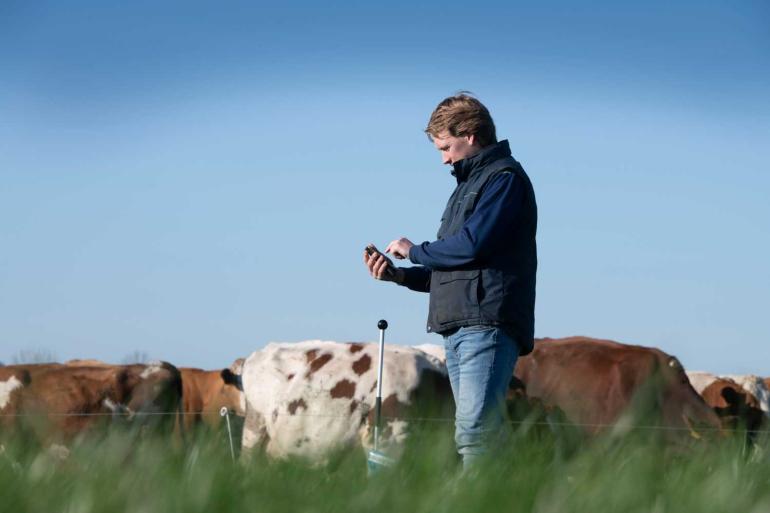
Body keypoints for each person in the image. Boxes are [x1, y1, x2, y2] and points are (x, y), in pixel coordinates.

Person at [363, 93, 537, 468]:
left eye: (445, 146)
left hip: (486, 324)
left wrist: (414, 249)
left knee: (476, 434)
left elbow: (471, 246)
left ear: (470, 135)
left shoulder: (504, 180)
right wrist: (399, 275)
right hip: (459, 327)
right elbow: (455, 266)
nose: (443, 158)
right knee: (478, 434)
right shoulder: (466, 188)